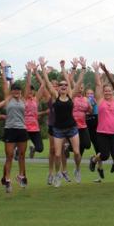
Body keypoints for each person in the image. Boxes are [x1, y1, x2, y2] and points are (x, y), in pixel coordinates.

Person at [42, 59, 83, 187]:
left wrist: (83, 67)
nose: (64, 86)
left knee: (76, 152)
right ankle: (58, 174)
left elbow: (79, 81)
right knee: (58, 154)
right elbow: (48, 83)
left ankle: (77, 169)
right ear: (58, 88)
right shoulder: (55, 96)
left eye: (65, 85)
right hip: (58, 129)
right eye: (61, 85)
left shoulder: (71, 94)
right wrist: (43, 68)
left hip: (72, 128)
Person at [0, 60, 29, 193]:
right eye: (14, 90)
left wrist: (30, 72)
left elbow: (28, 86)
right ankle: (8, 180)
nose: (16, 91)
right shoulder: (8, 98)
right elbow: (5, 83)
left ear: (20, 92)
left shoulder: (23, 99)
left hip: (21, 129)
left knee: (21, 155)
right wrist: (3, 69)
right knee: (9, 155)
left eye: (18, 90)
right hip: (10, 129)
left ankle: (21, 176)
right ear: (12, 91)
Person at [24, 61, 46, 159]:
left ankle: (33, 149)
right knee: (21, 148)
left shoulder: (36, 100)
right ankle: (16, 150)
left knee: (40, 148)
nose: (30, 91)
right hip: (24, 127)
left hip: (34, 128)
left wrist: (37, 71)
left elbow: (43, 85)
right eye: (29, 89)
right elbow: (28, 84)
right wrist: (29, 72)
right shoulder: (23, 99)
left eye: (32, 89)